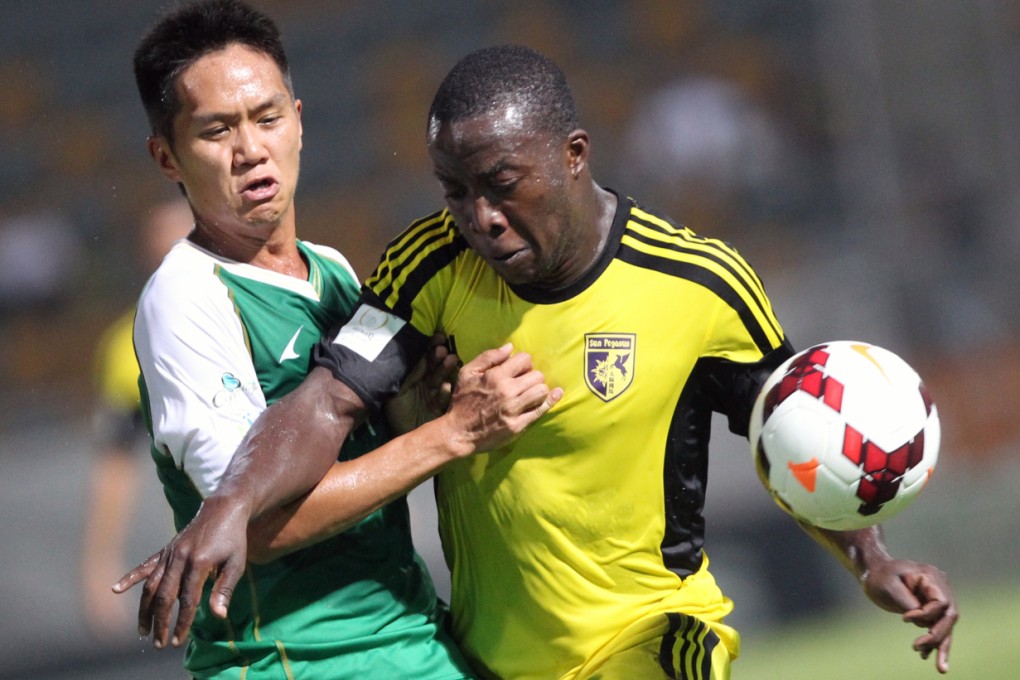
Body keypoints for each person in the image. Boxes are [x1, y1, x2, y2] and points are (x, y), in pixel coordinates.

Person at [117, 44, 958, 678]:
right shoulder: (425, 270)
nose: (479, 216)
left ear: (573, 155)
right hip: (491, 658)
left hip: (654, 636)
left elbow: (796, 433)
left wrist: (871, 558)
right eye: (455, 190)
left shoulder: (700, 284)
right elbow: (325, 402)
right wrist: (231, 502)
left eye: (502, 183)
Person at [122, 3, 559, 678]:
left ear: (299, 121)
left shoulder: (331, 270)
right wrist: (453, 433)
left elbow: (360, 444)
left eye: (267, 118)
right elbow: (251, 528)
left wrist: (419, 408)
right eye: (217, 130)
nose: (250, 149)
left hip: (403, 629)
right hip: (299, 657)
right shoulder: (185, 300)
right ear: (166, 157)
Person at [80, 198, 192, 639]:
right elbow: (116, 469)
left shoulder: (260, 311)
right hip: (202, 545)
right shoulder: (126, 346)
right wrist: (100, 566)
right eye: (167, 244)